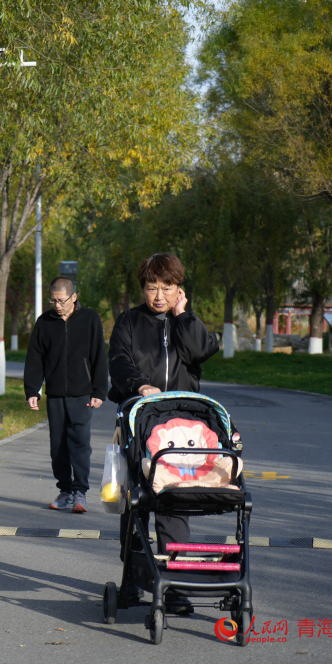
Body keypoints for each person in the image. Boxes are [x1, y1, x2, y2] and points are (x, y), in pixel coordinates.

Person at [108, 253, 219, 613]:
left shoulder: (184, 322)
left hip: (182, 429)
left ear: (178, 290)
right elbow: (119, 362)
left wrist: (183, 315)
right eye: (152, 287)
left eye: (167, 288)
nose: (158, 295)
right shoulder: (128, 322)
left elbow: (202, 350)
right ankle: (132, 581)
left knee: (175, 501)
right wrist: (140, 387)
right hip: (139, 423)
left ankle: (175, 587)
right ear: (142, 288)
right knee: (136, 502)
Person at [24, 277, 108, 513]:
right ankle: (65, 491)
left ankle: (80, 492)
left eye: (61, 300)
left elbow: (98, 356)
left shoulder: (90, 319)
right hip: (55, 395)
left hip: (83, 394)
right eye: (53, 300)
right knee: (58, 445)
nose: (57, 305)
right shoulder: (45, 322)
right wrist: (33, 389)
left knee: (80, 443)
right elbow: (35, 358)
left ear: (73, 297)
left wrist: (99, 390)